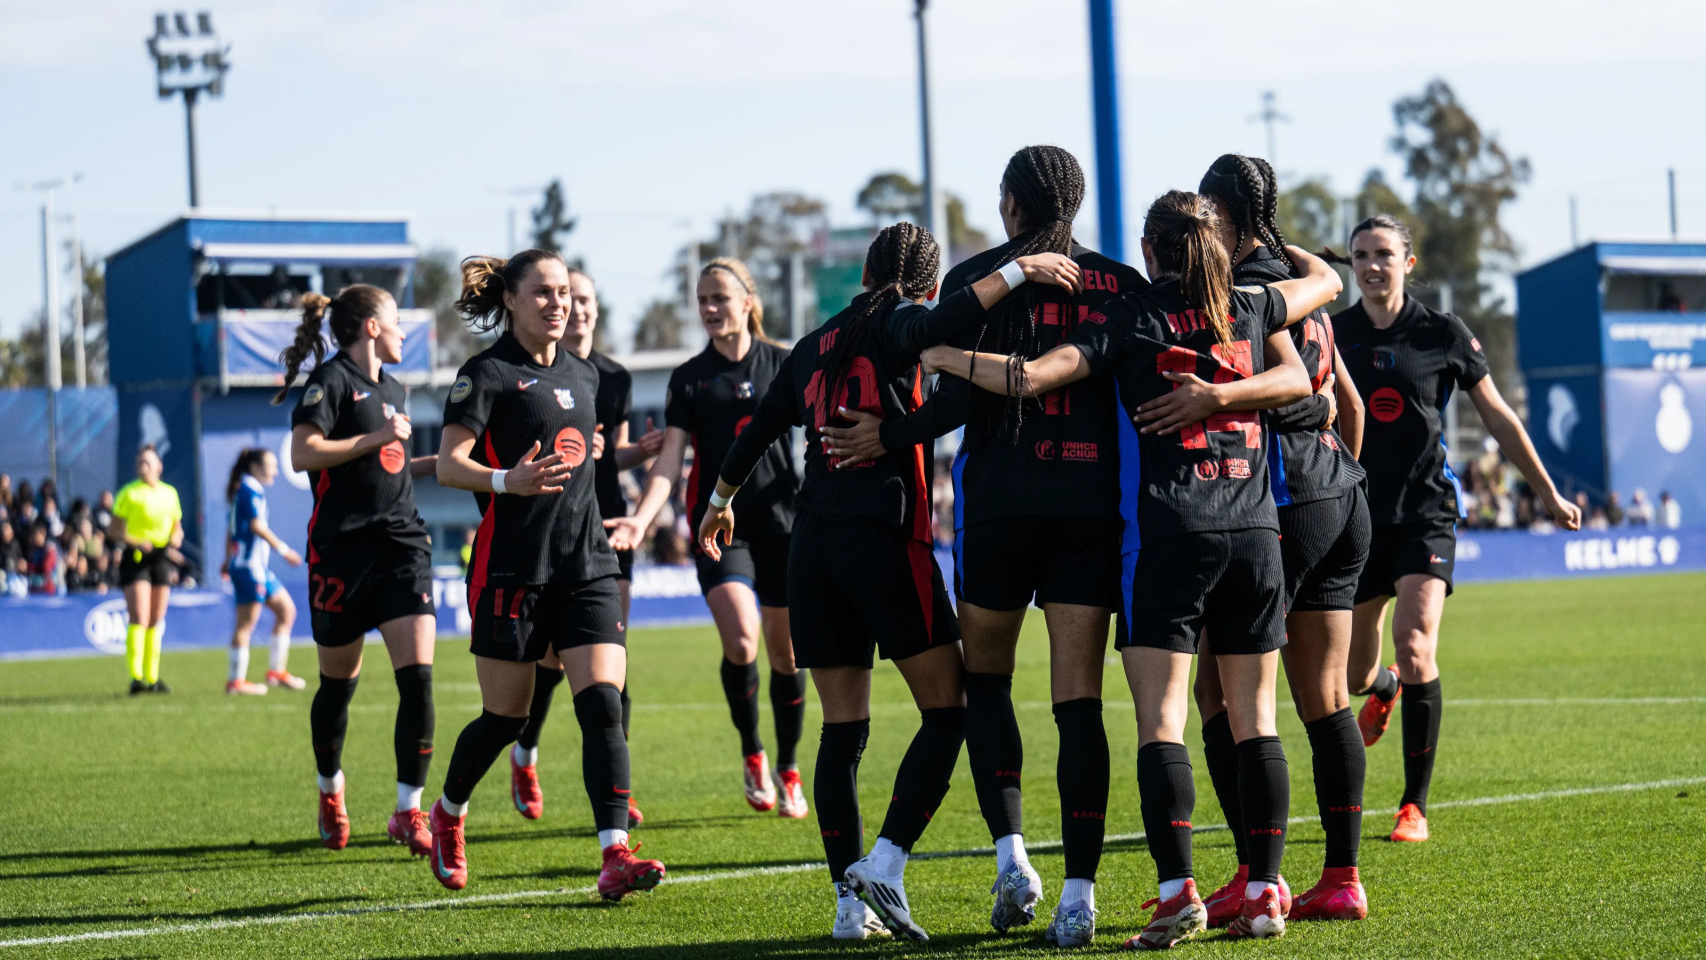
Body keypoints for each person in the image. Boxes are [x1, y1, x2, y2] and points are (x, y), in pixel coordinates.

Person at [925, 190, 1342, 947]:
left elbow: (1034, 377)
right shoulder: (1247, 306)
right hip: (1253, 530)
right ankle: (1264, 894)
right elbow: (1325, 296)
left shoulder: (1134, 316)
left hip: (1173, 532)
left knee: (1162, 723)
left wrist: (946, 353)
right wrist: (1229, 381)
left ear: (1150, 252)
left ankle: (1178, 892)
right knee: (1256, 722)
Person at [701, 224, 1082, 940]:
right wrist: (1022, 268)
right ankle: (883, 863)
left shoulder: (813, 342)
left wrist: (719, 502)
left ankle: (850, 910)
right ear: (923, 283)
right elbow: (945, 326)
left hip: (810, 546)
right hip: (881, 537)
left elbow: (754, 431)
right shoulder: (906, 320)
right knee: (950, 712)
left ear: (868, 270)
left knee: (842, 734)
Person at [821, 146, 1145, 941]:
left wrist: (885, 435)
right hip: (1087, 507)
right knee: (1079, 706)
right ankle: (1077, 895)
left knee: (987, 686)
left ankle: (1012, 858)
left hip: (999, 505)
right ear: (1075, 199)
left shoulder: (980, 277)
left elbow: (951, 399)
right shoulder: (1119, 285)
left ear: (1010, 203)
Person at [1331, 215, 1580, 845]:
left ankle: (1413, 805)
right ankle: (1383, 688)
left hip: (1426, 513)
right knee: (1356, 675)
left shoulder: (1442, 334)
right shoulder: (1334, 334)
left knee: (1416, 645)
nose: (1371, 265)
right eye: (1361, 255)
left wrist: (1546, 491)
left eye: (1384, 254)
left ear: (1407, 264)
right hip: (1356, 520)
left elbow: (1497, 417)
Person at [430, 249, 664, 900]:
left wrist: (625, 513)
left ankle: (614, 855)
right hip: (511, 569)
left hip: (586, 564)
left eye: (564, 292)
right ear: (510, 299)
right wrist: (510, 481)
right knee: (505, 717)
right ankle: (447, 812)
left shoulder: (585, 377)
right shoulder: (486, 374)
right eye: (542, 293)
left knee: (604, 709)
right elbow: (451, 466)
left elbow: (586, 466)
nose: (557, 303)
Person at [1189, 155, 1374, 924]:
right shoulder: (1308, 285)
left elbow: (1280, 384)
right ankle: (1342, 878)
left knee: (1217, 692)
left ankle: (1249, 871)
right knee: (1326, 697)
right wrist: (1338, 472)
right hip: (1341, 493)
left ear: (1224, 214)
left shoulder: (1242, 293)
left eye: (1204, 213)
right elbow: (1349, 404)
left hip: (1283, 497)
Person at [609, 257, 808, 818]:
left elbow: (820, 431)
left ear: (749, 300)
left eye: (719, 297)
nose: (709, 309)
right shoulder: (689, 378)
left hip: (785, 525)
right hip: (719, 526)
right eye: (701, 300)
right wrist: (642, 519)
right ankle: (753, 753)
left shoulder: (784, 363)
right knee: (742, 641)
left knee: (787, 654)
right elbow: (669, 462)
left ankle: (789, 768)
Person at [277, 284, 441, 858]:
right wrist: (372, 437)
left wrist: (453, 465)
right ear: (371, 326)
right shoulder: (330, 380)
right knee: (338, 688)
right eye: (397, 320)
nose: (404, 330)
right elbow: (303, 454)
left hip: (402, 546)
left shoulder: (395, 389)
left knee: (418, 679)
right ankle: (330, 789)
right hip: (342, 554)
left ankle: (408, 810)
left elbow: (390, 464)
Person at [509, 267, 664, 826]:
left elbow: (607, 455)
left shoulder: (612, 378)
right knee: (551, 659)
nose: (579, 309)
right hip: (549, 525)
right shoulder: (531, 372)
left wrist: (638, 452)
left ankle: (618, 790)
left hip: (607, 523)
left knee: (610, 660)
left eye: (587, 300)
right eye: (569, 299)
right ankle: (524, 752)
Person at [223, 447, 305, 696]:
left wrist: (227, 559)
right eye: (272, 465)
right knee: (246, 623)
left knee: (286, 610)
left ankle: (276, 671)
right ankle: (236, 682)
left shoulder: (245, 488)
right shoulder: (250, 489)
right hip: (249, 568)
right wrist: (284, 549)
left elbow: (232, 529)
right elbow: (257, 526)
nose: (276, 471)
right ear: (256, 467)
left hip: (253, 567)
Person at [111, 446, 184, 694]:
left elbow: (177, 527)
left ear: (158, 466)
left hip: (161, 558)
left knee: (155, 619)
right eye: (140, 462)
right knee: (139, 617)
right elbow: (114, 530)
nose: (143, 466)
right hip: (137, 558)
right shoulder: (129, 493)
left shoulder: (169, 494)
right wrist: (134, 541)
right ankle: (136, 678)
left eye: (147, 462)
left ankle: (152, 678)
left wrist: (176, 538)